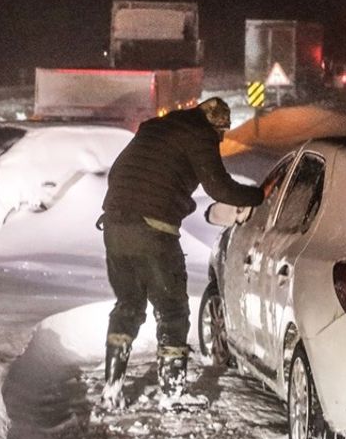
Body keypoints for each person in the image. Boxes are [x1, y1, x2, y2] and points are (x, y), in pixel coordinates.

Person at [98, 96, 264, 407]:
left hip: (115, 226)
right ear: (215, 126)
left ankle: (112, 388)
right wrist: (259, 195)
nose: (221, 139)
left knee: (128, 305)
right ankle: (172, 392)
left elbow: (117, 172)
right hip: (153, 230)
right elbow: (220, 187)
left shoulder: (154, 130)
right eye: (222, 133)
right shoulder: (199, 134)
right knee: (172, 310)